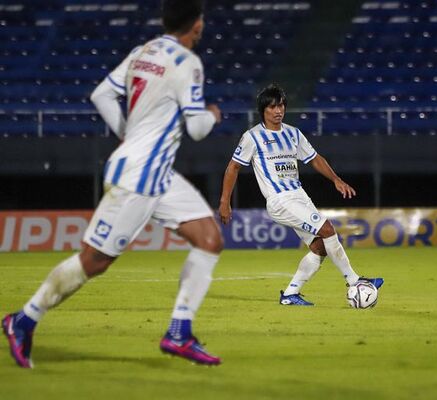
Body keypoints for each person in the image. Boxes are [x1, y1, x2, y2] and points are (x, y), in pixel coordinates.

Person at [3, 0, 223, 368]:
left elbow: (101, 94)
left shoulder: (144, 51)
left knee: (209, 238)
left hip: (158, 175)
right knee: (94, 261)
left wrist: (127, 135)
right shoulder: (188, 63)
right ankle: (23, 320)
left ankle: (179, 332)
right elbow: (198, 130)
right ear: (197, 25)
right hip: (138, 178)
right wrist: (213, 115)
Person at [218, 84, 383, 306]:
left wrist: (336, 179)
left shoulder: (293, 133)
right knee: (327, 229)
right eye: (273, 107)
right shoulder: (252, 137)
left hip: (300, 196)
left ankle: (290, 294)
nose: (279, 111)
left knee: (319, 247)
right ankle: (354, 281)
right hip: (280, 200)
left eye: (282, 105)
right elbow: (233, 167)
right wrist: (224, 201)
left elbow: (315, 158)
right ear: (263, 110)